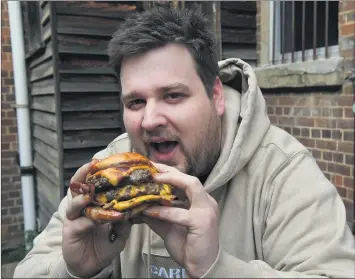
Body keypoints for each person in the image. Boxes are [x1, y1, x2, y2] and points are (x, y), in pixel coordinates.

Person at [14, 6, 355, 279]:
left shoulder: (282, 171)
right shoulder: (109, 173)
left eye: (173, 96)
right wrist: (73, 270)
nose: (150, 120)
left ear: (216, 96)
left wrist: (217, 269)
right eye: (135, 102)